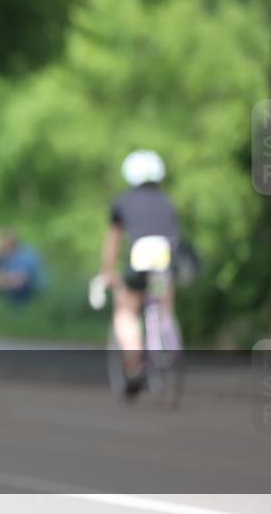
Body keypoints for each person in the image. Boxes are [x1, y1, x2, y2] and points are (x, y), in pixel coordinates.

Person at [101, 150, 182, 398]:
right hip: (164, 265)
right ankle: (166, 336)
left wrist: (108, 271)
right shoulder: (167, 201)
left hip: (139, 264)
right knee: (162, 305)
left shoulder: (123, 202)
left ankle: (134, 362)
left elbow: (113, 243)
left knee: (125, 312)